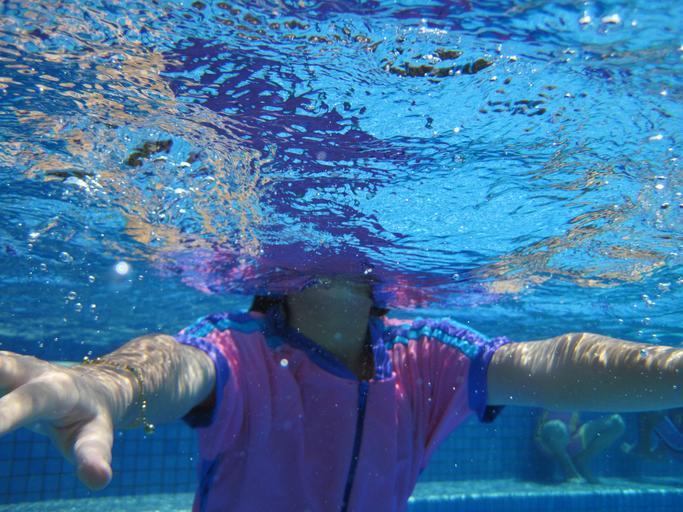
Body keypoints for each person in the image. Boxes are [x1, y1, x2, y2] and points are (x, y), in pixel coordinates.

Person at [1, 275, 682, 511]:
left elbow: (553, 361)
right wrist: (109, 385)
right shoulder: (243, 349)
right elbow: (174, 365)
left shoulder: (427, 358)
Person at [535, 410, 624, 483]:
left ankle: (582, 459)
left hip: (573, 438)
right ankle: (570, 472)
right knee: (556, 428)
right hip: (547, 442)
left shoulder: (577, 395)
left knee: (616, 422)